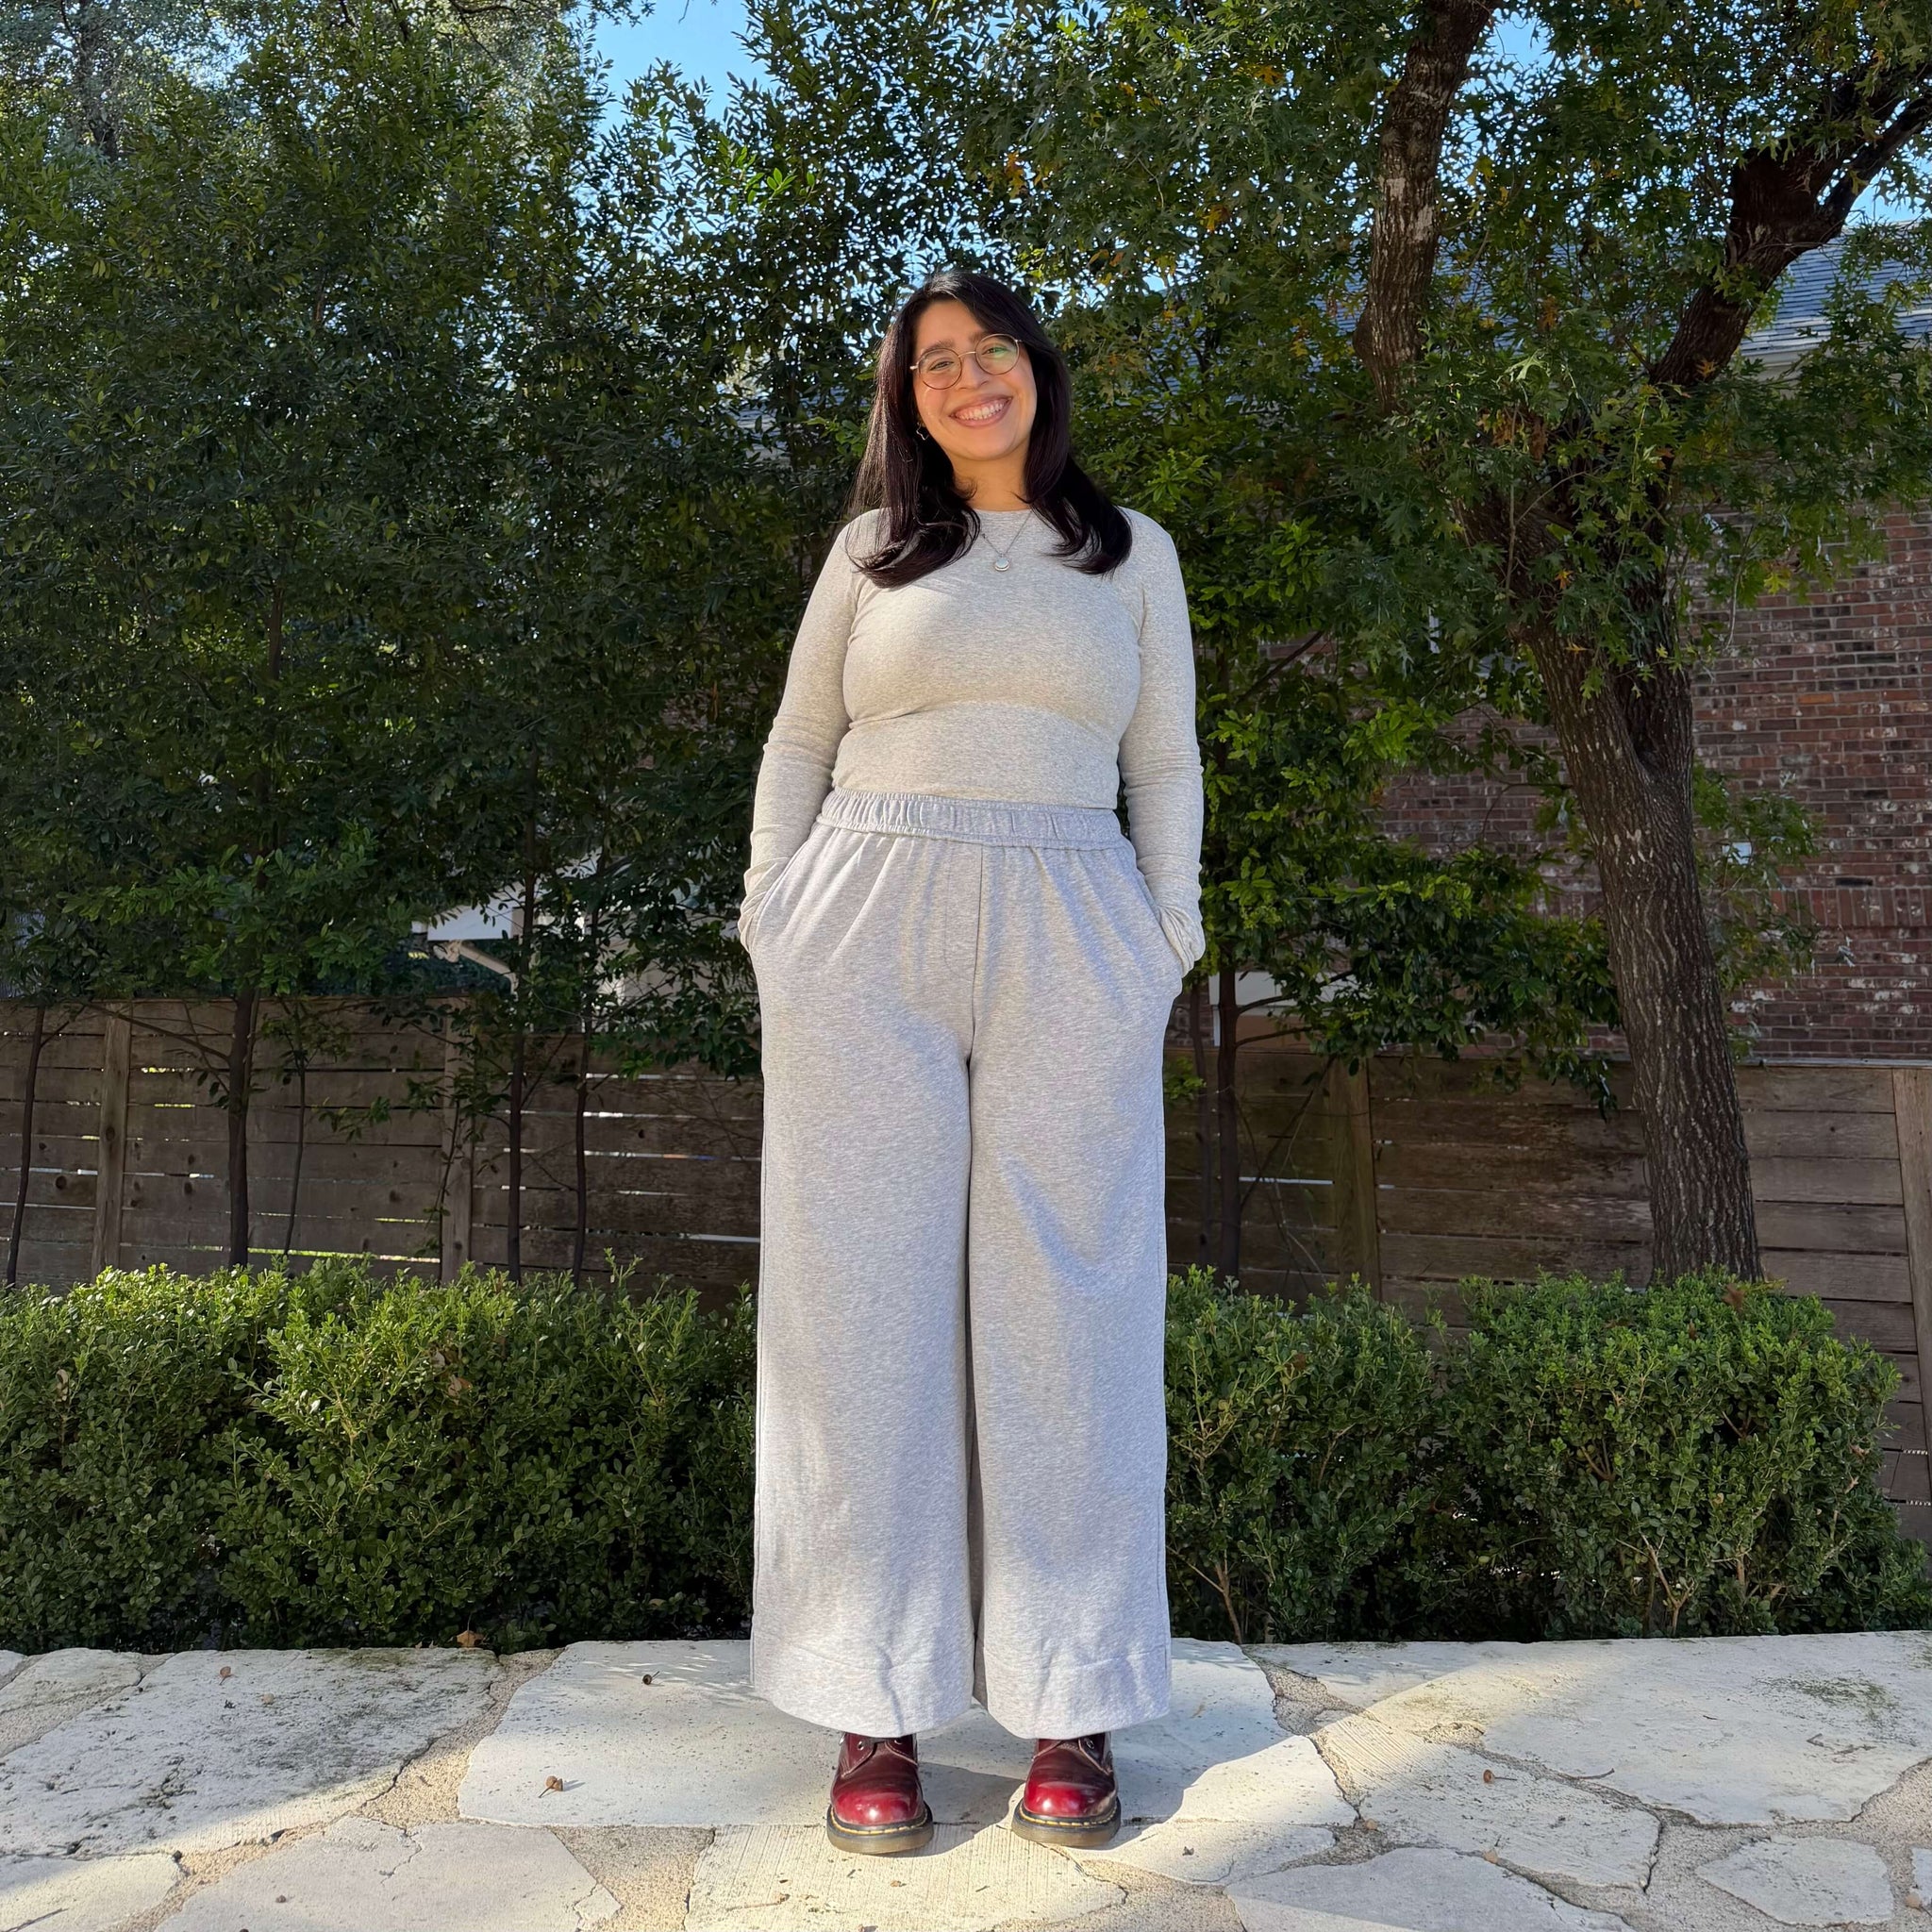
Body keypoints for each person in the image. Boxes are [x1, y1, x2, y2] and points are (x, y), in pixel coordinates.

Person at [737, 266, 1206, 1857]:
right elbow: (798, 742)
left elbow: (1164, 761)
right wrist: (772, 914)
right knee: (861, 1303)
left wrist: (1168, 938)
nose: (966, 375)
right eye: (933, 360)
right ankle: (874, 1700)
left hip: (1074, 915)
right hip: (865, 920)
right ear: (909, 400)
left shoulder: (1132, 556)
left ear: (1036, 370)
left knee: (1068, 1301)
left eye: (990, 346)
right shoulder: (872, 554)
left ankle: (1071, 1700)